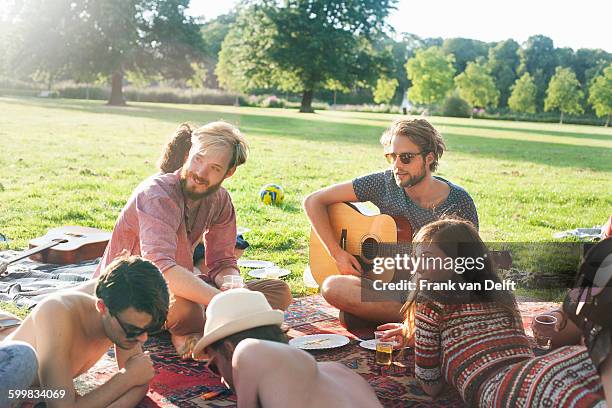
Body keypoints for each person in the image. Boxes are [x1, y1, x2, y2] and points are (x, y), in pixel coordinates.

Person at [92, 122, 292, 358]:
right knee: (189, 310)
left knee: (278, 291)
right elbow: (161, 270)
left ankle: (216, 325)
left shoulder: (221, 200)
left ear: (229, 172)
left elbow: (223, 261)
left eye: (214, 168)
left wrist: (233, 284)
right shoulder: (157, 194)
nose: (200, 172)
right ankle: (200, 334)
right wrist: (224, 301)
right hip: (133, 293)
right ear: (188, 154)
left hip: (181, 288)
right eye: (197, 159)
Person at [380, 219, 608, 407]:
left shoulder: (430, 299)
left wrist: (427, 340)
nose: (417, 267)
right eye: (417, 257)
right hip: (546, 364)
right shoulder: (500, 291)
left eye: (427, 259)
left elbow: (431, 385)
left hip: (503, 386)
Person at [303, 118, 478, 328]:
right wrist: (337, 253)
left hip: (433, 292)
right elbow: (313, 201)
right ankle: (421, 322)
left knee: (351, 318)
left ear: (429, 158)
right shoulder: (384, 183)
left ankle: (411, 319)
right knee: (333, 287)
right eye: (391, 156)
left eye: (405, 158)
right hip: (386, 288)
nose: (397, 165)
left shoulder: (458, 202)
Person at [3, 255, 169, 408]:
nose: (142, 338)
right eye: (133, 330)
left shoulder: (121, 311)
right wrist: (126, 377)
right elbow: (62, 407)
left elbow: (140, 381)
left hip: (28, 392)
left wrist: (131, 379)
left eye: (149, 330)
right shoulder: (56, 312)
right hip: (9, 380)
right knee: (25, 357)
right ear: (102, 307)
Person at [191, 289, 382, 408]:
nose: (222, 380)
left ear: (230, 348)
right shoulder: (340, 372)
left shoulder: (248, 350)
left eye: (214, 367)